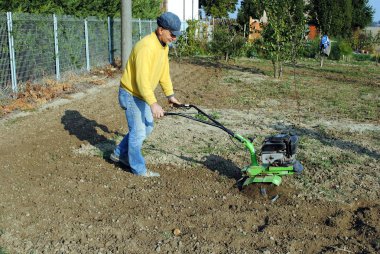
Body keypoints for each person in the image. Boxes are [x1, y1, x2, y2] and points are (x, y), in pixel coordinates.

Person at [110, 12, 181, 177]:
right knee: (139, 131)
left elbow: (164, 73)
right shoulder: (146, 47)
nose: (174, 38)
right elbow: (141, 80)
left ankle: (119, 153)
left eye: (176, 35)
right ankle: (138, 169)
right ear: (161, 29)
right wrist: (153, 103)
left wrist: (170, 96)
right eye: (172, 34)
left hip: (141, 94)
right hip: (131, 93)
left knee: (147, 127)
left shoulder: (163, 46)